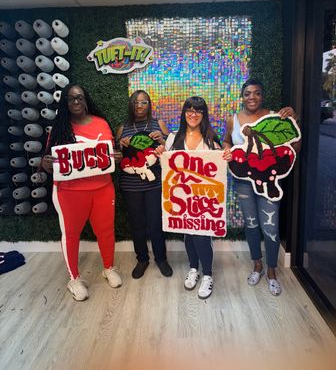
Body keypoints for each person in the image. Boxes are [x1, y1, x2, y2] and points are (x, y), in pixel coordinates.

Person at [41, 83, 122, 301]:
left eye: (79, 98)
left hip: (103, 188)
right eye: (70, 99)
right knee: (71, 234)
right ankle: (74, 279)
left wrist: (117, 156)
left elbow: (112, 153)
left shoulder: (102, 123)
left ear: (86, 100)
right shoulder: (60, 128)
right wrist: (46, 163)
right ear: (65, 103)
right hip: (69, 192)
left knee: (106, 231)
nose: (75, 102)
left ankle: (108, 267)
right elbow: (48, 160)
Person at [223, 77, 299, 296]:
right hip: (244, 180)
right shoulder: (233, 120)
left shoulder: (275, 117)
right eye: (247, 93)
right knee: (252, 224)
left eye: (256, 93)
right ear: (242, 96)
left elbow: (295, 146)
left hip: (269, 180)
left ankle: (272, 271)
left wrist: (295, 121)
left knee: (271, 227)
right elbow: (227, 140)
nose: (252, 97)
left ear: (262, 95)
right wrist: (227, 149)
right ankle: (257, 264)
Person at [156, 96, 232, 300]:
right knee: (188, 235)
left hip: (204, 199)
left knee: (201, 235)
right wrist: (161, 152)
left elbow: (220, 166)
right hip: (182, 199)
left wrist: (226, 156)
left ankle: (207, 274)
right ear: (184, 113)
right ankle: (193, 268)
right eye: (189, 109)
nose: (193, 114)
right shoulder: (173, 138)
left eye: (198, 110)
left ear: (203, 115)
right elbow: (168, 165)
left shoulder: (211, 139)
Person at [116, 90, 173, 279]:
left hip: (154, 183)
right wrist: (121, 147)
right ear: (131, 105)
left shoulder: (159, 125)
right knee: (137, 224)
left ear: (149, 105)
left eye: (144, 102)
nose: (139, 106)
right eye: (136, 103)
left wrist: (162, 141)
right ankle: (142, 259)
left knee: (156, 223)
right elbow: (116, 158)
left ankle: (161, 259)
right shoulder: (122, 128)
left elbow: (172, 154)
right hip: (130, 185)